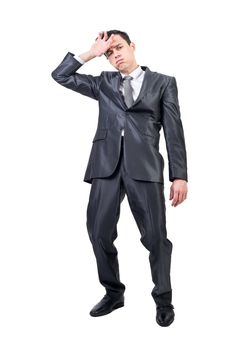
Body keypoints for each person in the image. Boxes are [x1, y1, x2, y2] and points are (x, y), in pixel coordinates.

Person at [51, 30, 188, 327]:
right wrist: (90, 53)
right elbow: (60, 76)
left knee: (155, 238)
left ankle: (163, 300)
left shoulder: (163, 83)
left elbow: (174, 131)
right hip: (105, 166)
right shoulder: (104, 83)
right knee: (98, 232)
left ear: (132, 46)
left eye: (119, 48)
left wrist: (179, 175)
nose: (116, 55)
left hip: (146, 168)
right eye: (109, 52)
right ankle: (114, 293)